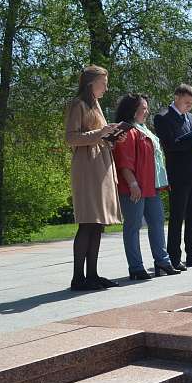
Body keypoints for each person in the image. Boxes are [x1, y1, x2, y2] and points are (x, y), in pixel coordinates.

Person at [64, 65, 123, 291]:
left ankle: (93, 274)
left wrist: (112, 135)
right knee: (88, 221)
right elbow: (71, 138)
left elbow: (98, 135)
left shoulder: (95, 104)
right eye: (103, 83)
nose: (106, 88)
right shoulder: (77, 104)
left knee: (97, 223)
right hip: (87, 166)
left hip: (100, 163)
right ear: (91, 83)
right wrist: (100, 133)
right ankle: (78, 277)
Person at [112, 93, 177, 279]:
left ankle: (162, 262)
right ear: (132, 110)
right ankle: (136, 267)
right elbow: (124, 162)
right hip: (134, 187)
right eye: (143, 108)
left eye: (147, 108)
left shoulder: (143, 129)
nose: (146, 112)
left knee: (157, 223)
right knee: (133, 227)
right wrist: (132, 183)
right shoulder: (126, 130)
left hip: (151, 186)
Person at [153, 84, 192, 269]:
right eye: (187, 102)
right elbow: (170, 146)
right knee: (178, 216)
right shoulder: (163, 117)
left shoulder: (191, 117)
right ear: (177, 97)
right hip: (178, 175)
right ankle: (174, 256)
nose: (189, 107)